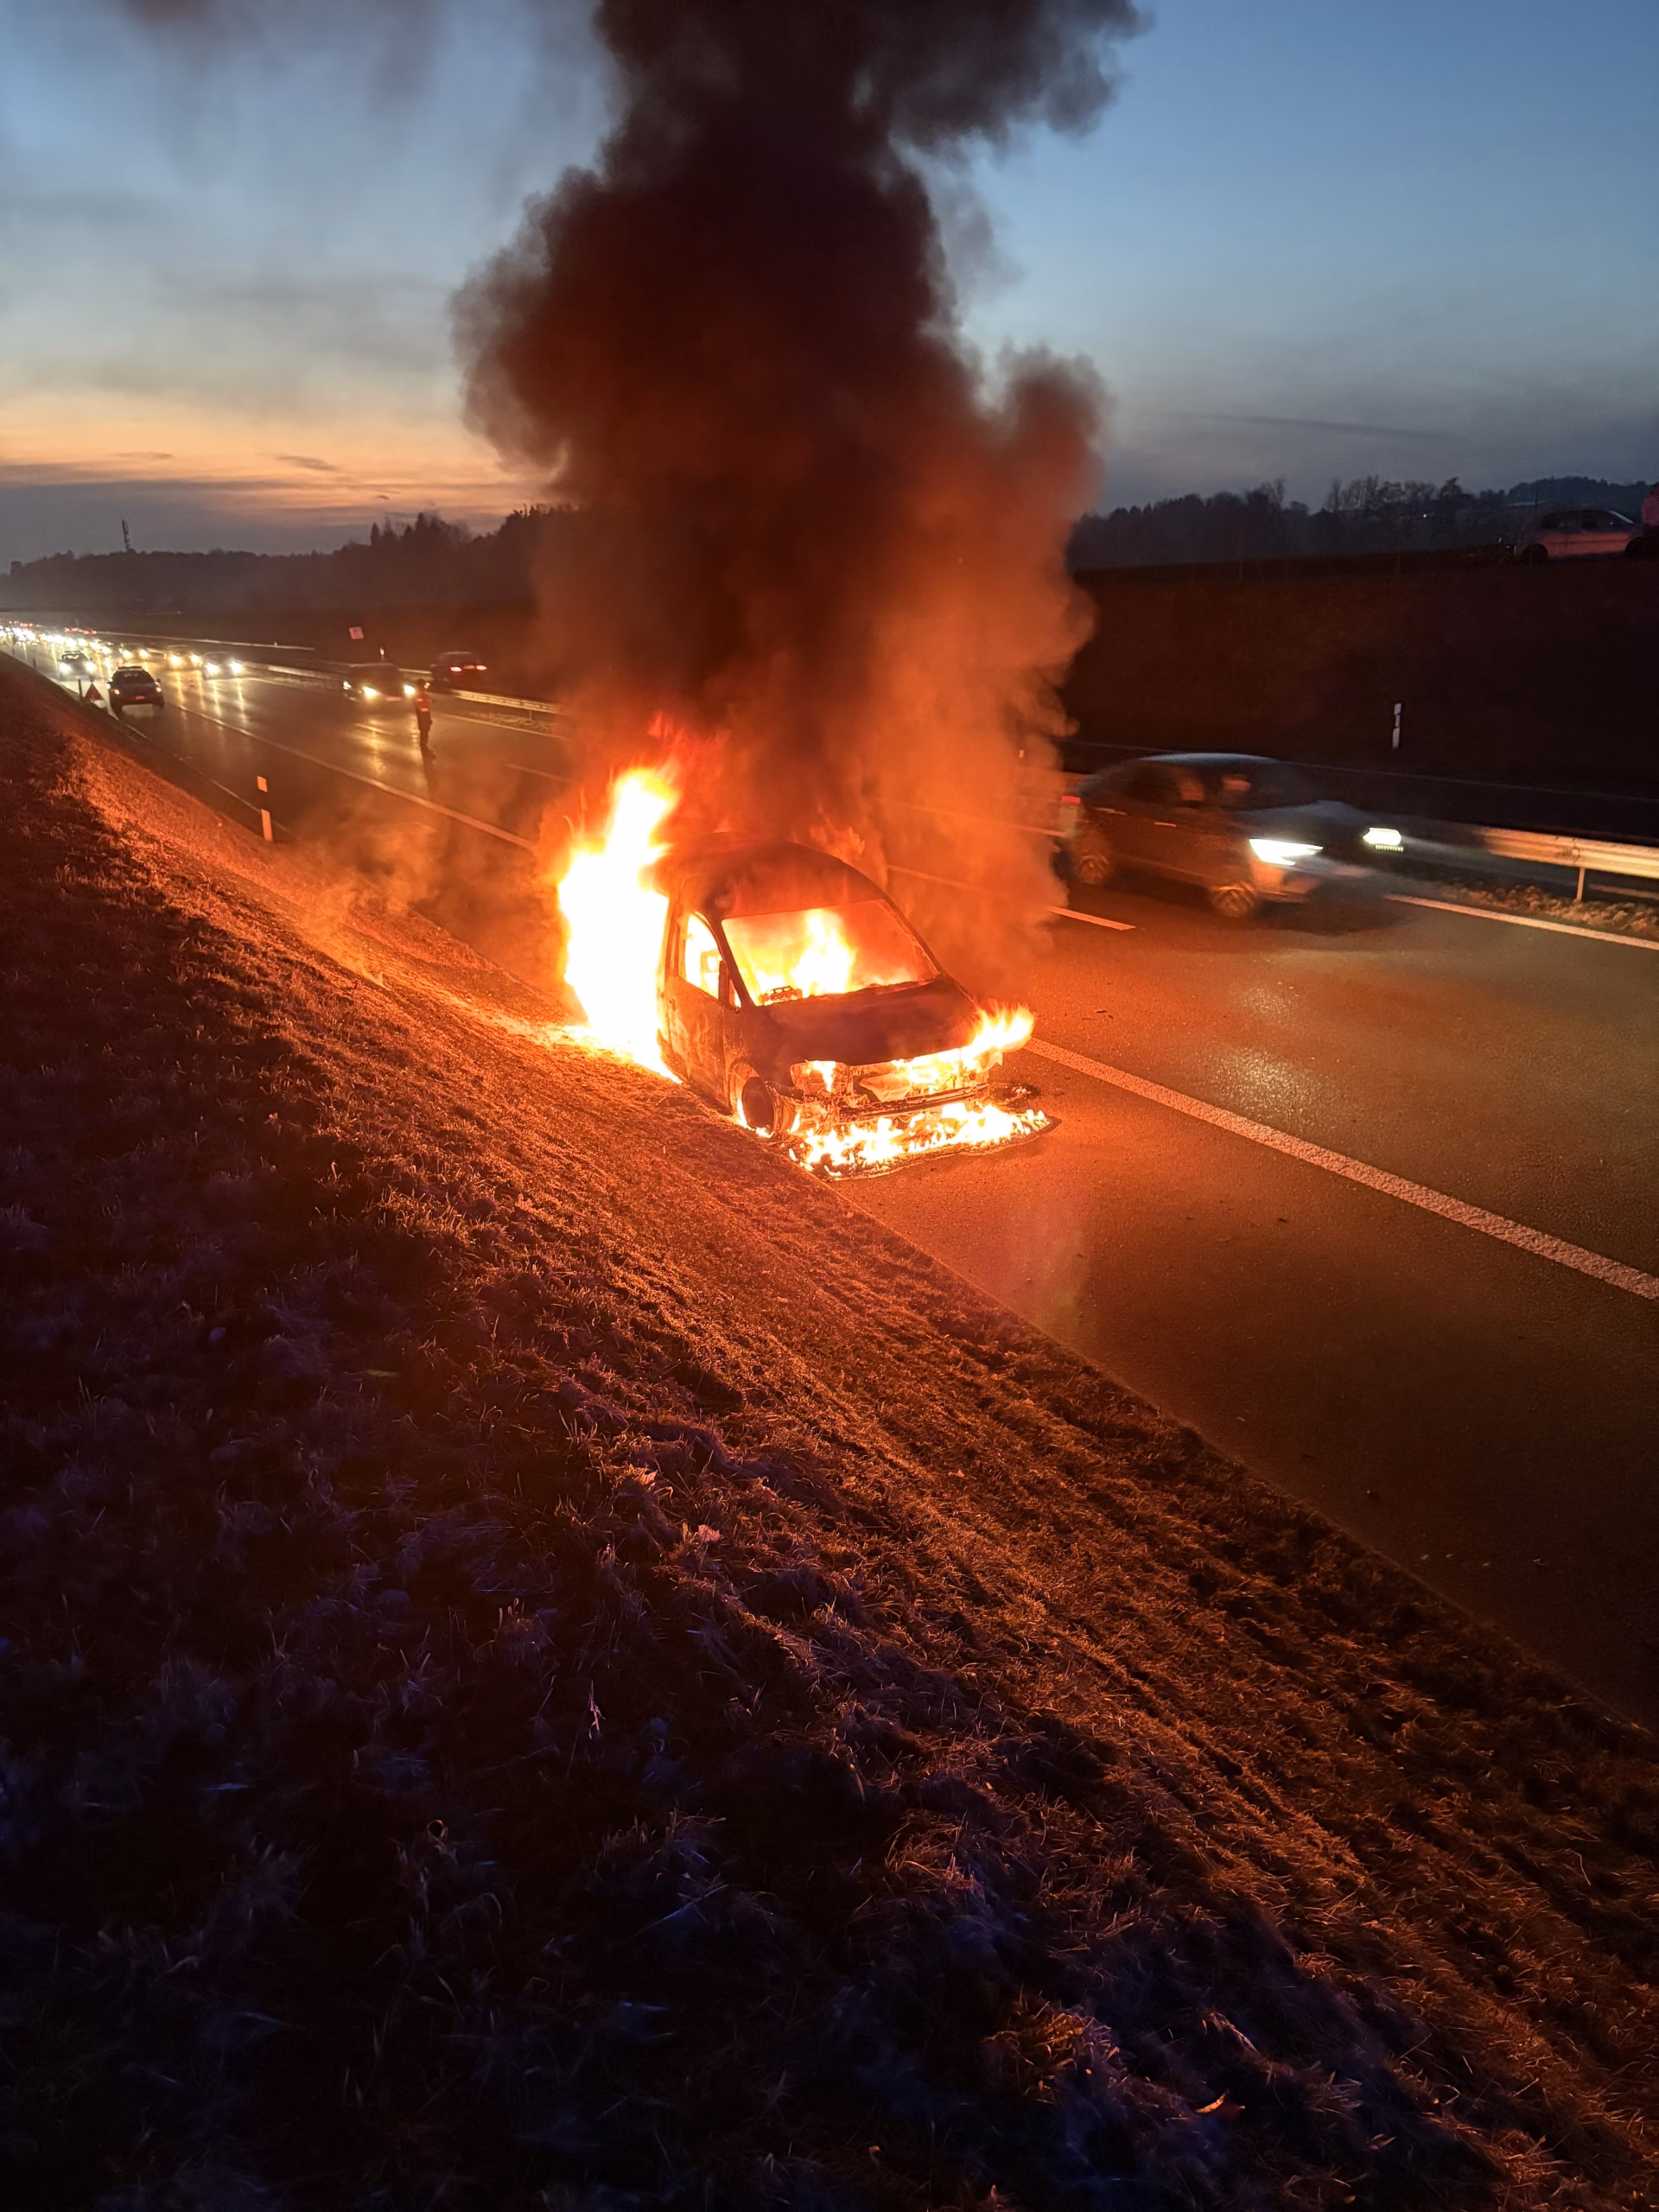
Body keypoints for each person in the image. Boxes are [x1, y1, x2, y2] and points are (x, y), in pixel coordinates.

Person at [413, 683, 433, 751]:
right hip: (422, 715)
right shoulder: (418, 696)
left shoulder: (424, 695)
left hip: (426, 714)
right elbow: (421, 705)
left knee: (426, 729)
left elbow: (430, 701)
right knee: (423, 730)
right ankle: (423, 744)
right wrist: (427, 702)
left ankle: (424, 744)